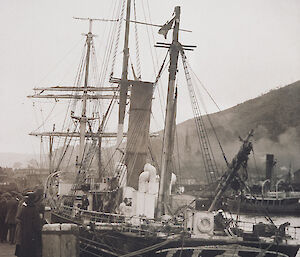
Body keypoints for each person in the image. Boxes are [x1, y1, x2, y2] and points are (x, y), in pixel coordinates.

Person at [15, 192, 42, 257]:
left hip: (24, 232)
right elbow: (37, 224)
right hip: (32, 234)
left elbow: (18, 218)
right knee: (32, 250)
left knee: (24, 248)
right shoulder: (34, 209)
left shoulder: (24, 208)